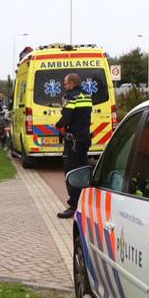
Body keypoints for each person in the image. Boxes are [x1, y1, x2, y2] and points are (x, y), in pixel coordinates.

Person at [55, 73, 93, 219]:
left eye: (65, 84)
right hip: (84, 140)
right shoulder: (87, 96)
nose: (65, 86)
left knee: (70, 172)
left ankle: (73, 205)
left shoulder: (71, 97)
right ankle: (84, 203)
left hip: (73, 142)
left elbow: (66, 118)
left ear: (71, 83)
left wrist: (58, 125)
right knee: (82, 171)